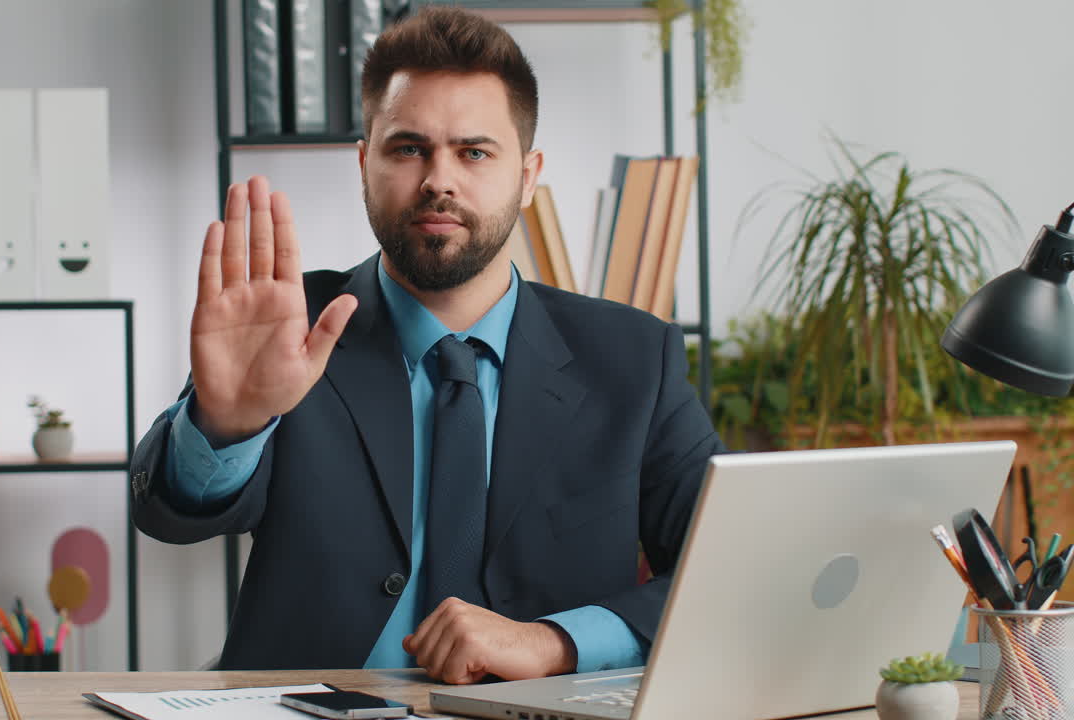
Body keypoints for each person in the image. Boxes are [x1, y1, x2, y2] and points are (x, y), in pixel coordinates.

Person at [130, 5, 723, 685]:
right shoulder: (292, 324)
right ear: (364, 164)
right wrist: (230, 424)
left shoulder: (631, 359)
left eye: (474, 152)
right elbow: (163, 515)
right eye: (408, 148)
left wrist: (555, 642)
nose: (440, 179)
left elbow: (727, 563)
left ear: (529, 176)